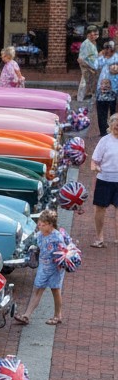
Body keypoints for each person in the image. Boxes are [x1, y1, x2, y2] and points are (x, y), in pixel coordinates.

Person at [14, 209, 67, 326]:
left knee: (55, 290)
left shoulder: (57, 237)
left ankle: (58, 315)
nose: (40, 226)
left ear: (50, 225)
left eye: (43, 225)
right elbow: (31, 242)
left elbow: (63, 253)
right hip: (43, 267)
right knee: (37, 289)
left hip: (55, 268)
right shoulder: (40, 235)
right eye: (39, 224)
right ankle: (26, 315)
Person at [89, 112, 118, 248]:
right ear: (111, 125)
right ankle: (99, 237)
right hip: (104, 180)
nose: (117, 127)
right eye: (115, 124)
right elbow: (94, 161)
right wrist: (95, 168)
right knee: (100, 209)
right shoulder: (105, 141)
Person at [93, 40, 118, 136]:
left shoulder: (116, 57)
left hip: (113, 88)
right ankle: (103, 132)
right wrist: (100, 56)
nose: (108, 50)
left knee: (113, 110)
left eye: (110, 48)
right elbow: (95, 66)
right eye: (106, 48)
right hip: (102, 88)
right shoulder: (101, 58)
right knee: (101, 111)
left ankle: (113, 131)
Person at [76, 25, 100, 103]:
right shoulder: (86, 44)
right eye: (92, 34)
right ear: (88, 35)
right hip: (87, 66)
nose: (95, 36)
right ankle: (79, 100)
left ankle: (93, 97)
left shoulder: (94, 42)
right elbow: (80, 60)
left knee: (93, 82)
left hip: (94, 66)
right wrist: (90, 69)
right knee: (84, 82)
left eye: (96, 34)